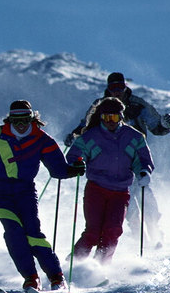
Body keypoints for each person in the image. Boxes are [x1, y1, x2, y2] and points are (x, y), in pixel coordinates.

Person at [0, 100, 86, 292]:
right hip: (1, 192)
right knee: (14, 232)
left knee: (32, 233)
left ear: (32, 118)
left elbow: (58, 170)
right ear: (9, 119)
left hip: (25, 191)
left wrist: (73, 170)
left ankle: (56, 277)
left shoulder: (42, 139)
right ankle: (31, 278)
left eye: (25, 119)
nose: (20, 124)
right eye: (16, 120)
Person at [64, 72, 170, 246]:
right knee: (128, 209)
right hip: (109, 165)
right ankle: (141, 239)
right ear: (108, 88)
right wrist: (74, 136)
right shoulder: (102, 105)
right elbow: (86, 125)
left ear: (125, 87)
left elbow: (155, 125)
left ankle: (155, 234)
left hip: (133, 159)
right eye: (113, 88)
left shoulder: (137, 104)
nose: (117, 92)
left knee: (144, 195)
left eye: (120, 87)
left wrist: (164, 124)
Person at [66, 97, 154, 264]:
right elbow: (75, 154)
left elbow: (142, 159)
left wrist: (143, 171)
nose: (110, 122)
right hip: (96, 189)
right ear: (101, 117)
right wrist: (77, 162)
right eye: (106, 118)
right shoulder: (90, 136)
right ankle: (73, 265)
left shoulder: (134, 136)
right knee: (93, 231)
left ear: (121, 117)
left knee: (113, 230)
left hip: (120, 192)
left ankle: (100, 266)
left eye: (114, 118)